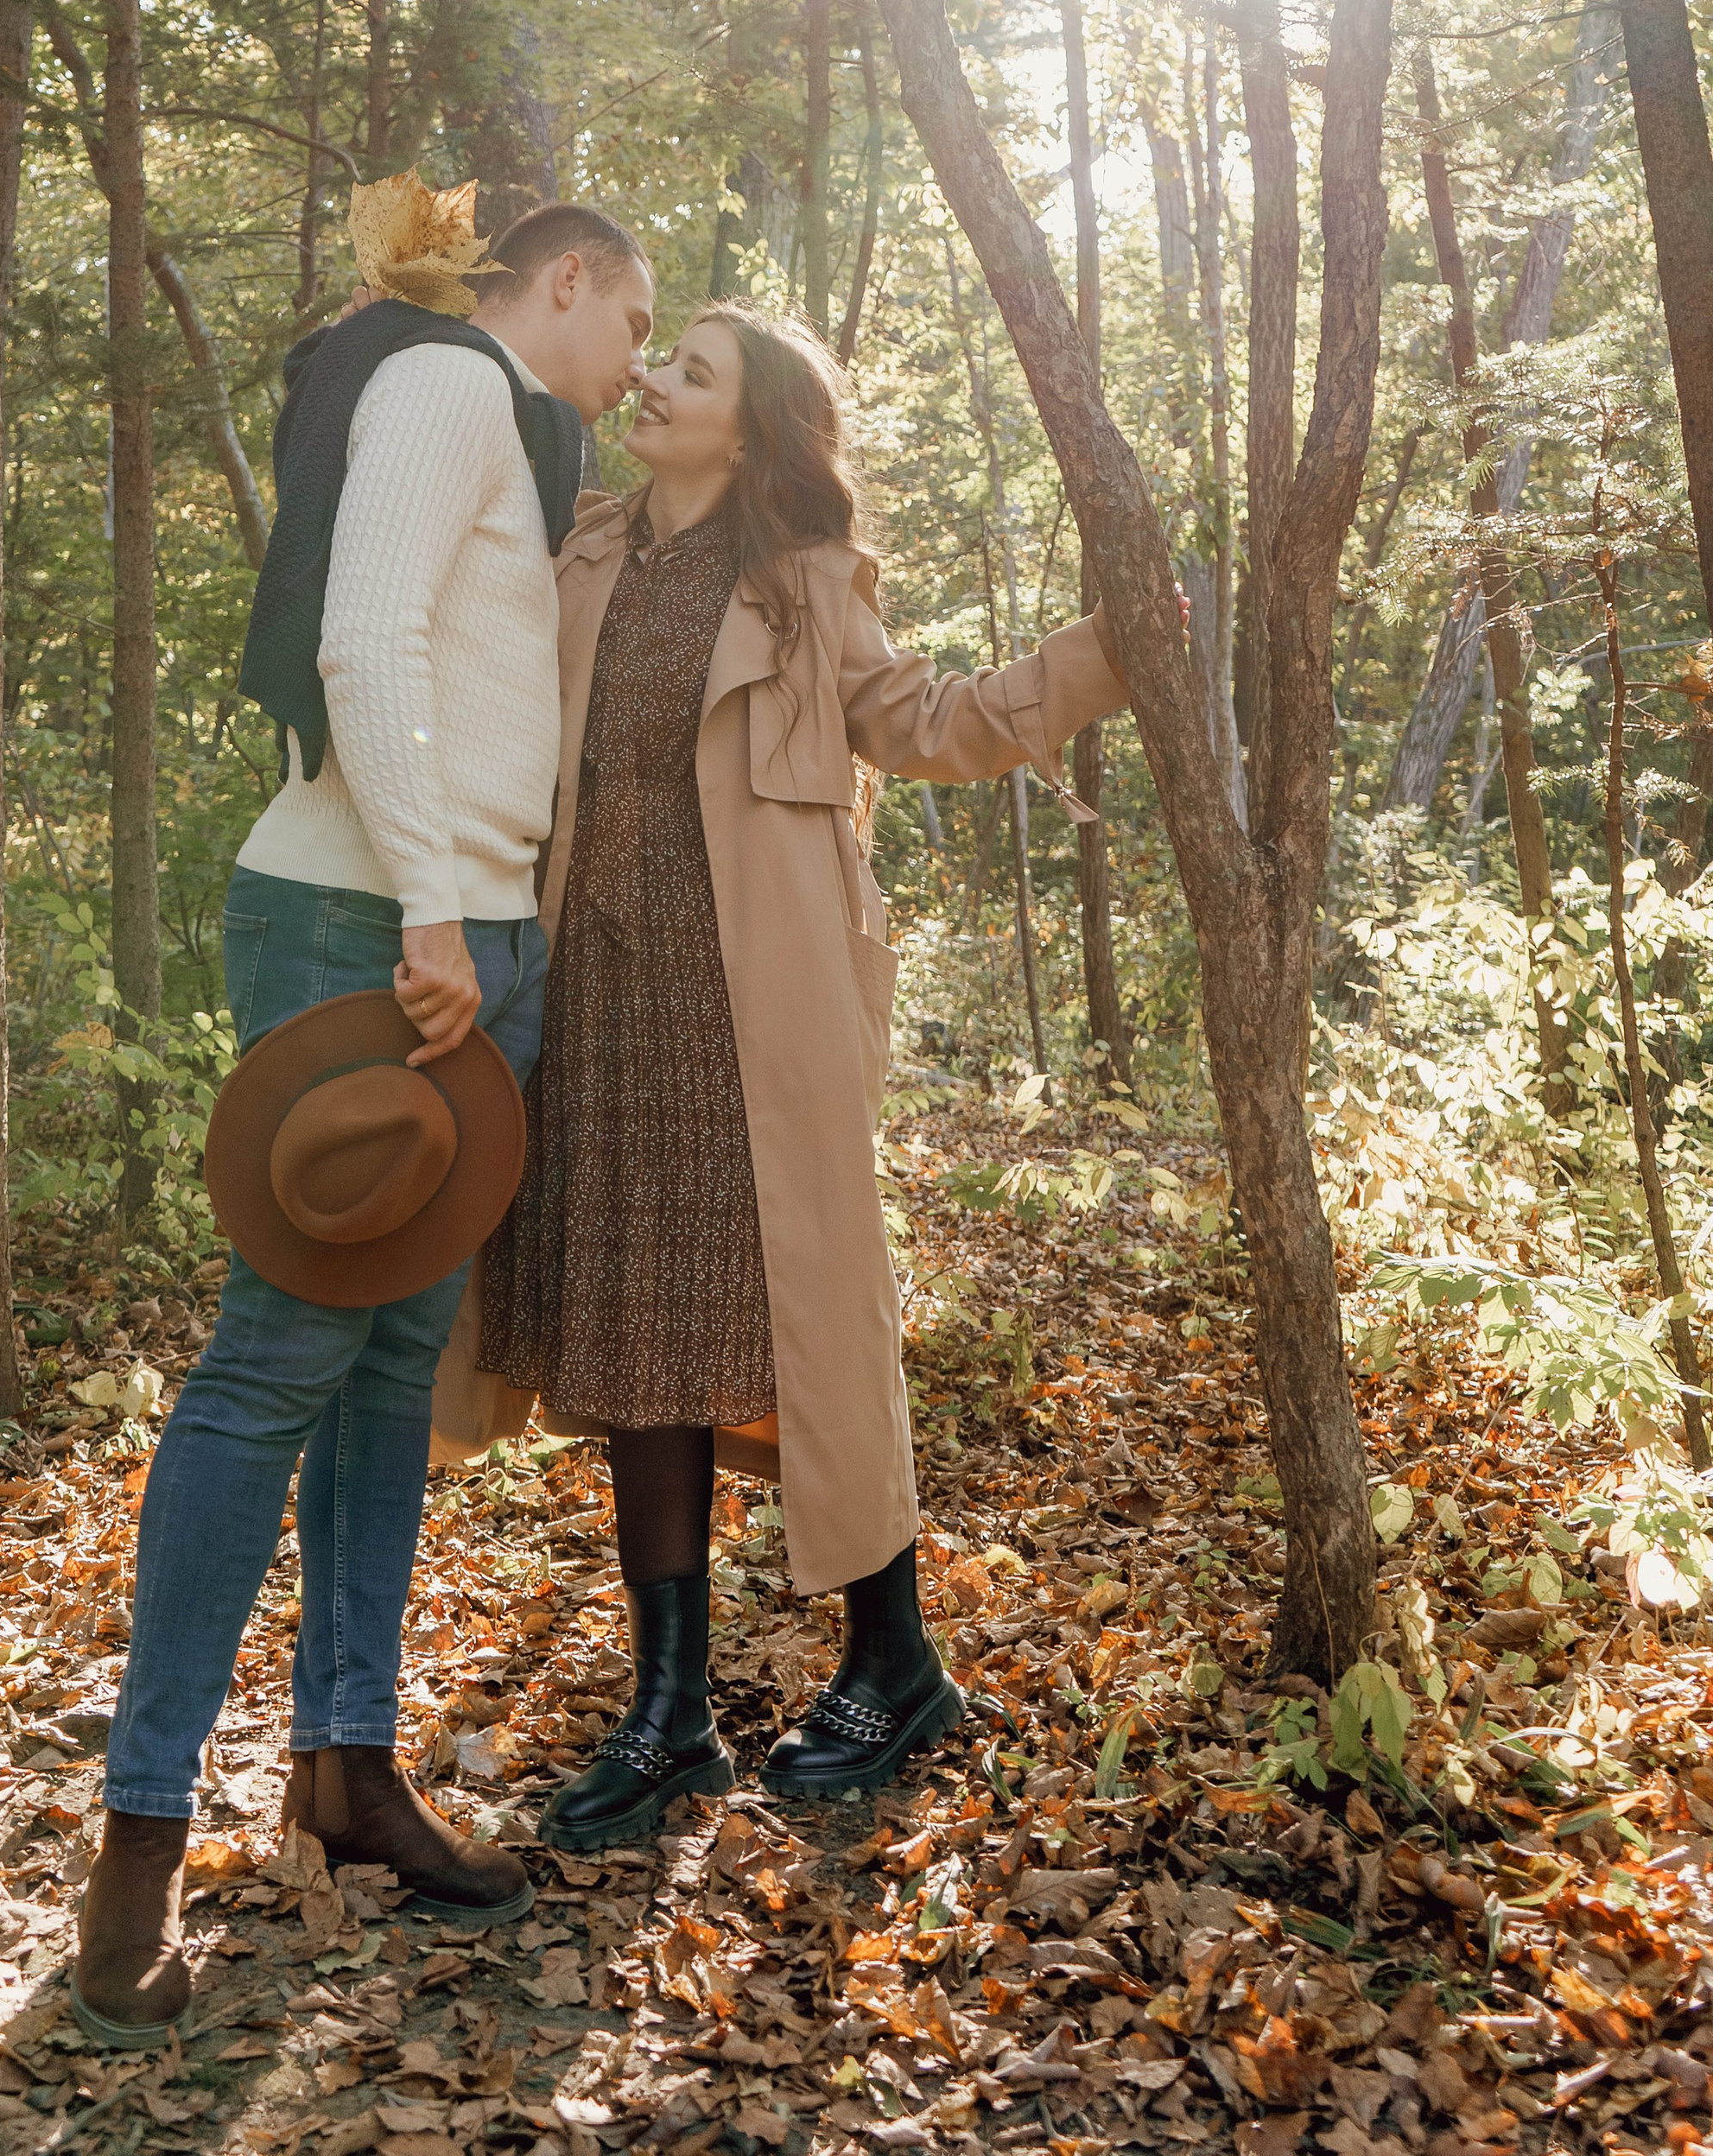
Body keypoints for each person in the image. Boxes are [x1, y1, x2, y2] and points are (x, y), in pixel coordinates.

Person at [72, 201, 655, 2045]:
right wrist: (422, 908)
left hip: (467, 926)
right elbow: (364, 641)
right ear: (560, 281)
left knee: (395, 1363)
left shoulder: (504, 421)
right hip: (367, 920)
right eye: (630, 318)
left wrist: (484, 919)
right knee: (275, 1362)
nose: (633, 364)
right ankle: (139, 1841)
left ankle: (346, 1768)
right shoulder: (435, 373)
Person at [471, 305, 1132, 1846]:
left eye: (687, 374)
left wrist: (1105, 656)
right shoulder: (581, 550)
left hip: (754, 1005)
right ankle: (669, 1712)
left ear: (753, 427)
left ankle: (897, 1666)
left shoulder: (803, 582)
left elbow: (925, 724)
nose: (647, 384)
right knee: (640, 1335)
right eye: (655, 363)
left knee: (813, 1324)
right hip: (601, 1005)